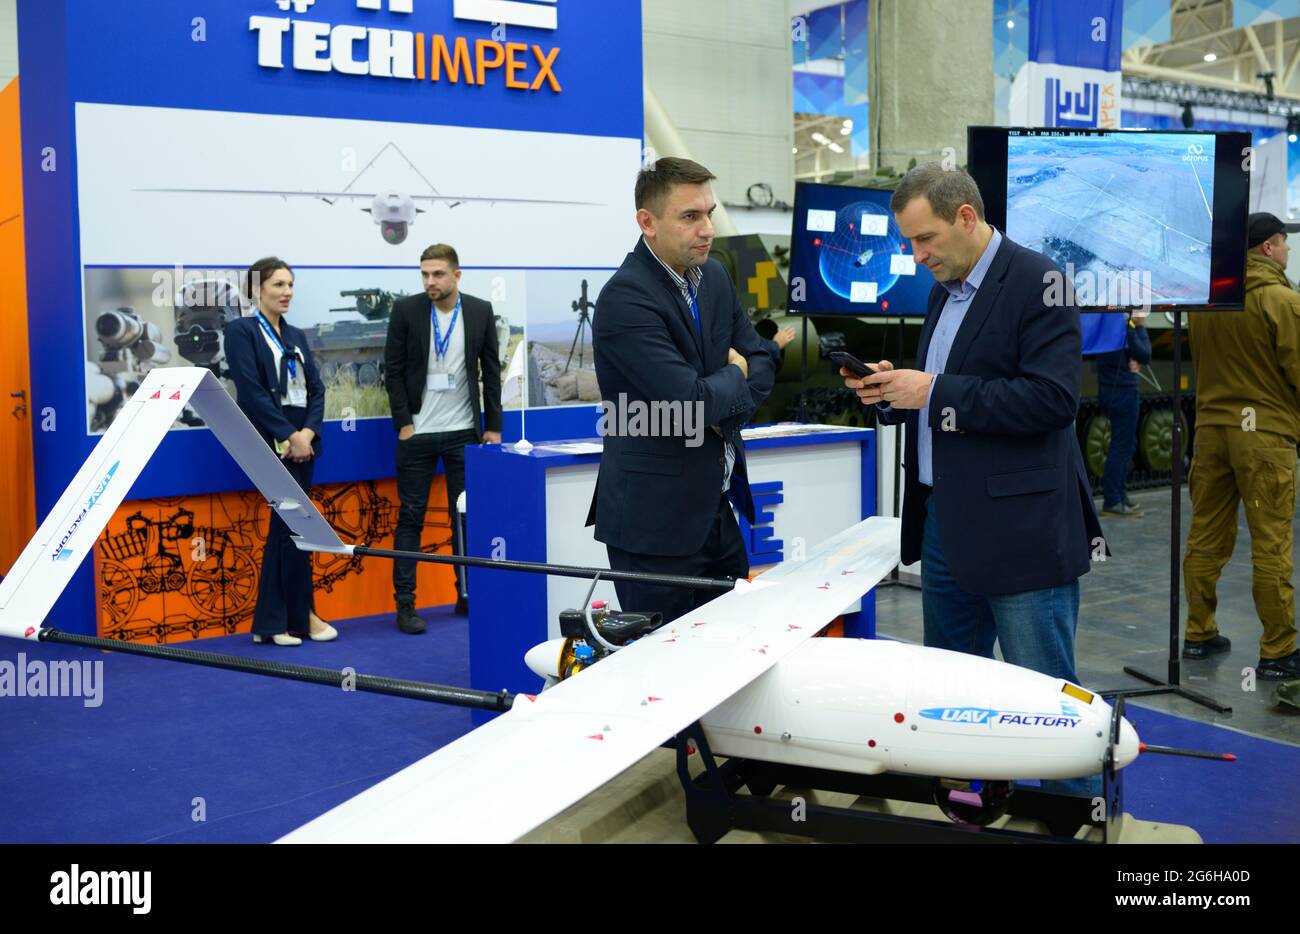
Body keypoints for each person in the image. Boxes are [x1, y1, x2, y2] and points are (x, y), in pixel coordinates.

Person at [843, 164, 1104, 795]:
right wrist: (894, 390)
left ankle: (1074, 823)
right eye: (908, 242)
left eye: (925, 238)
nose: (917, 255)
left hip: (1020, 535)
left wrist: (931, 388)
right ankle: (974, 808)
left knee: (1045, 703)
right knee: (954, 696)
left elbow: (1051, 401)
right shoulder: (944, 290)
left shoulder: (1041, 281)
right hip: (944, 524)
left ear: (966, 216)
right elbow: (950, 394)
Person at [586, 157, 775, 623]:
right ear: (647, 222)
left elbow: (766, 359)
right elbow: (688, 404)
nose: (707, 228)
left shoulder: (714, 277)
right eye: (691, 217)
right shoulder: (624, 299)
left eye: (709, 213)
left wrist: (727, 393)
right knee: (660, 670)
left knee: (733, 653)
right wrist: (735, 374)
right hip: (652, 526)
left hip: (717, 509)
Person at [1182, 212, 1300, 679]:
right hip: (1265, 436)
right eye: (1284, 243)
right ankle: (1278, 650)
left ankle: (1198, 633)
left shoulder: (1210, 301)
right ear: (1269, 247)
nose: (1288, 250)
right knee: (1271, 543)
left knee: (1206, 535)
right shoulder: (1283, 301)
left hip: (1211, 431)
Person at [384, 243, 502, 634]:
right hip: (417, 433)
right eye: (424, 274)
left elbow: (491, 371)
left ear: (456, 275)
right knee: (411, 517)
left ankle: (466, 594)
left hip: (462, 433)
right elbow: (394, 370)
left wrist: (494, 426)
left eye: (437, 274)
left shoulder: (481, 311)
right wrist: (404, 422)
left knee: (464, 517)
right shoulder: (406, 310)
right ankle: (406, 605)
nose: (430, 281)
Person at [225, 257, 336, 646]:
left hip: (303, 440)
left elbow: (317, 390)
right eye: (278, 285)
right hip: (272, 440)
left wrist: (307, 432)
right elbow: (251, 392)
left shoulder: (297, 335)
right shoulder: (241, 331)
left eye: (290, 284)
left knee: (289, 528)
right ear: (256, 290)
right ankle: (299, 616)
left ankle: (273, 621)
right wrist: (289, 435)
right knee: (292, 526)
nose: (287, 292)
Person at [1095, 316, 1151, 517]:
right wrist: (1141, 326)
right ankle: (1113, 500)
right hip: (1123, 391)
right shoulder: (1125, 325)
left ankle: (1119, 494)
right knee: (1122, 445)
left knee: (1125, 444)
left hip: (1111, 390)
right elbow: (1145, 354)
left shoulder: (1108, 324)